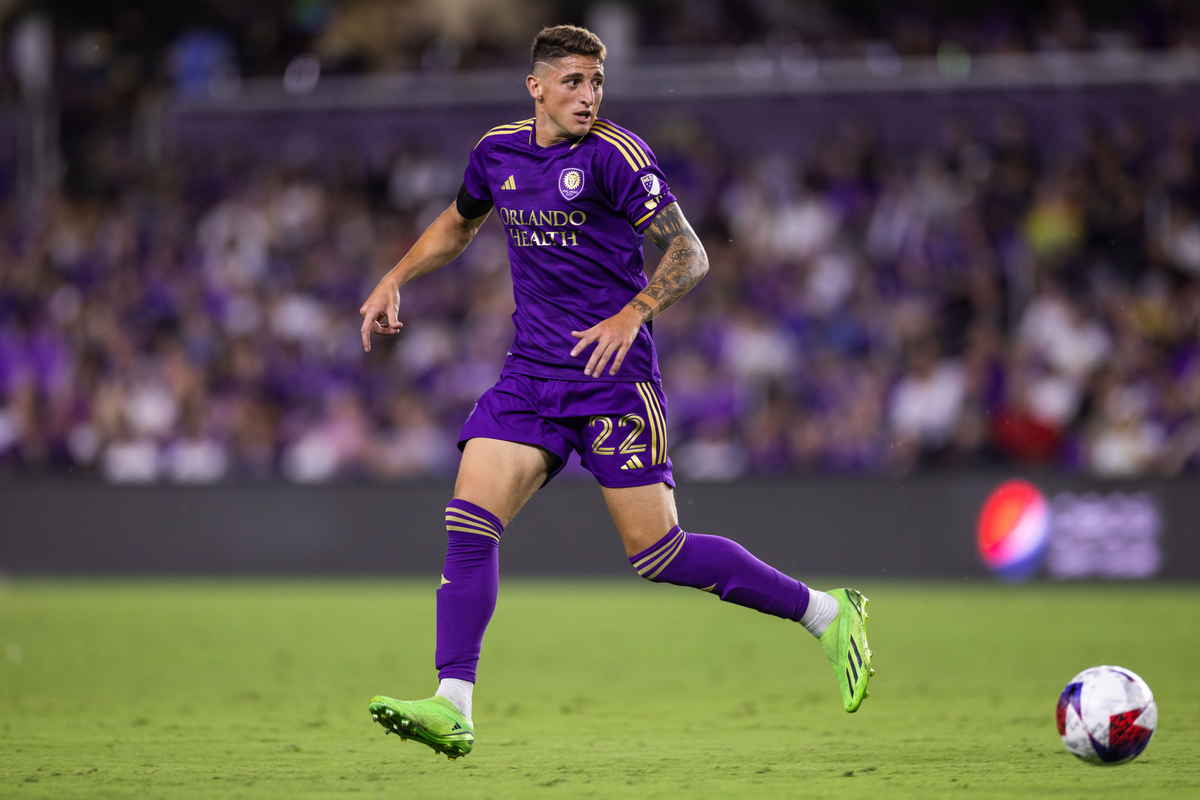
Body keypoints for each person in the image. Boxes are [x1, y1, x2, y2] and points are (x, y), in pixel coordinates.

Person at [358, 24, 873, 761]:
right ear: (535, 85)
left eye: (597, 82)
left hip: (612, 379)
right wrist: (394, 277)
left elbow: (689, 251)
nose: (588, 96)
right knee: (470, 520)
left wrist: (633, 314)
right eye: (572, 81)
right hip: (532, 375)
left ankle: (827, 613)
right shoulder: (496, 151)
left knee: (658, 553)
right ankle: (453, 703)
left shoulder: (616, 155)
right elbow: (459, 223)